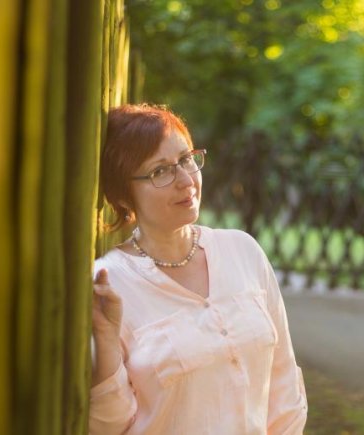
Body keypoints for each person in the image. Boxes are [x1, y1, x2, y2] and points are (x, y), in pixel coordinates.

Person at [89, 103, 307, 434]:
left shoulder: (243, 251)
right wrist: (105, 343)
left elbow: (284, 387)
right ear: (123, 195)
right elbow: (108, 426)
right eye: (160, 171)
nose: (185, 180)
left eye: (186, 159)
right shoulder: (109, 282)